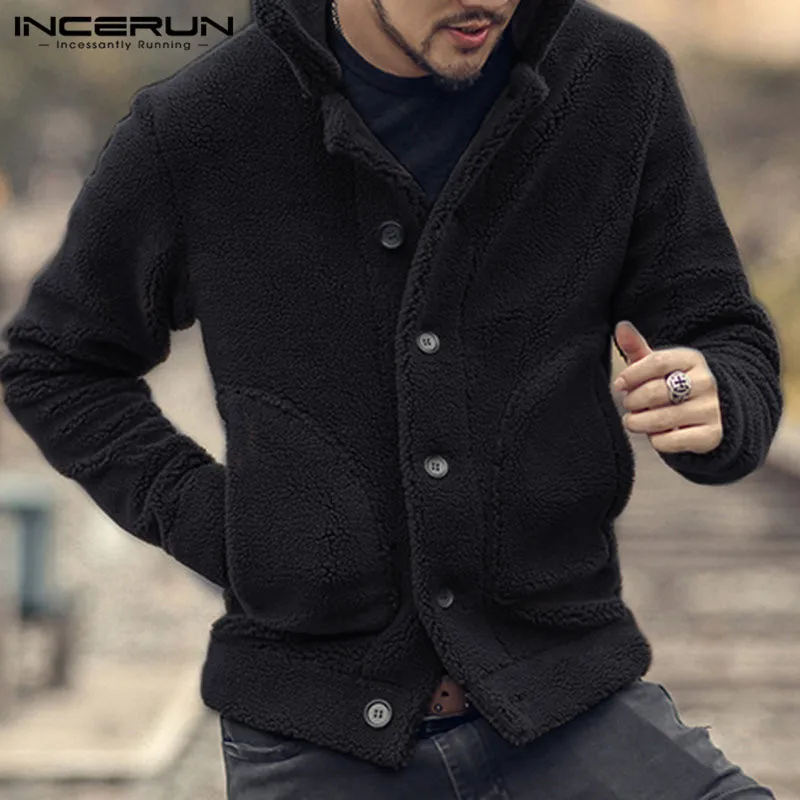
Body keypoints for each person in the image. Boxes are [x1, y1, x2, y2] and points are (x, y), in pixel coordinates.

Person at [0, 0, 783, 797]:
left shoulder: (615, 80)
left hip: (569, 698)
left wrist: (715, 393)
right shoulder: (203, 122)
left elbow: (724, 332)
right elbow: (55, 361)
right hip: (320, 734)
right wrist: (227, 526)